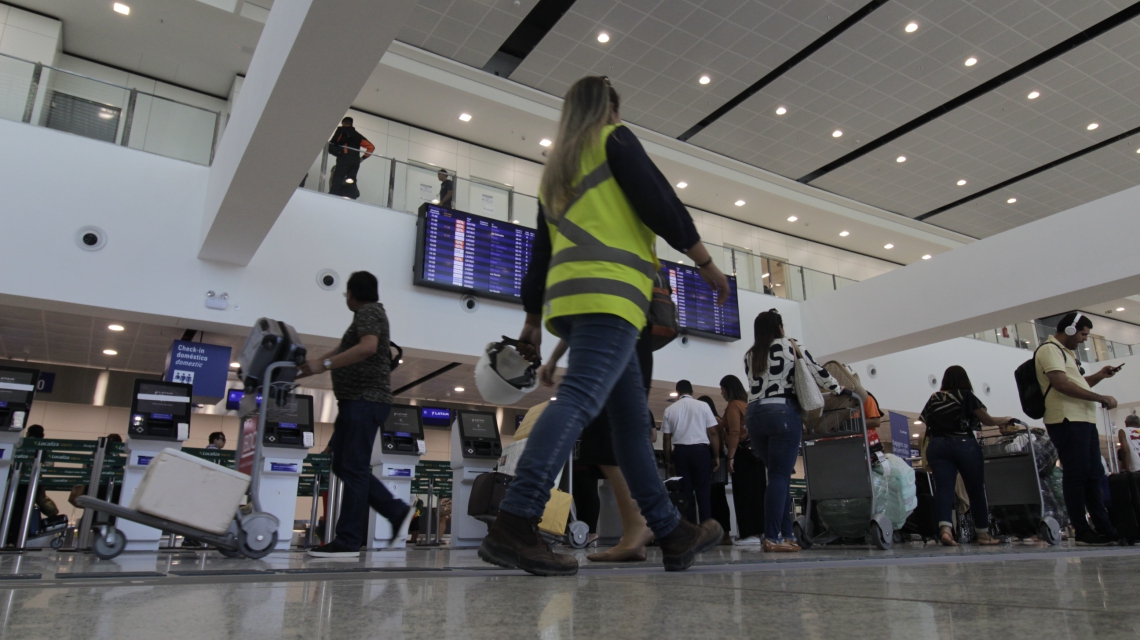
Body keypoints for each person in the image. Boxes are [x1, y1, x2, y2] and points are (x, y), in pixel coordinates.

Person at [478, 75, 730, 577]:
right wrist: (703, 260)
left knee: (632, 425)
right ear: (609, 107)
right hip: (613, 294)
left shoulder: (556, 171)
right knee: (577, 402)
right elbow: (658, 199)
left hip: (577, 301)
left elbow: (541, 254)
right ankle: (516, 519)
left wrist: (532, 321)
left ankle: (671, 531)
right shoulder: (614, 139)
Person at [299, 271, 414, 557]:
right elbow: (345, 348)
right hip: (356, 402)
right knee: (344, 465)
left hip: (365, 401)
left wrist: (324, 364)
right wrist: (317, 363)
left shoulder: (369, 313)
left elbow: (368, 347)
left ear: (351, 293)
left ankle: (348, 540)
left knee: (353, 467)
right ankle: (396, 511)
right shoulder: (367, 315)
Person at [539, 327, 659, 563]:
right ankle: (657, 528)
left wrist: (553, 354)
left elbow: (586, 312)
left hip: (615, 343)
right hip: (619, 343)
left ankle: (649, 526)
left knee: (606, 440)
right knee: (613, 442)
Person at [745, 309, 855, 553]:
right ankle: (772, 537)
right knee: (779, 476)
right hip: (782, 412)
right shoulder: (790, 346)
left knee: (776, 476)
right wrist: (839, 389)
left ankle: (785, 535)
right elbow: (816, 371)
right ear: (780, 327)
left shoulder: (750, 355)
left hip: (753, 415)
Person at [1035, 312, 1120, 546]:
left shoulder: (1068, 354)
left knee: (1094, 476)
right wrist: (1100, 397)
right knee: (1076, 475)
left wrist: (1100, 377)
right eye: (1083, 334)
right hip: (1066, 420)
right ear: (1070, 330)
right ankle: (1081, 530)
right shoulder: (1049, 350)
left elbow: (1078, 384)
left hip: (1083, 419)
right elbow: (1061, 385)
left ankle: (1104, 527)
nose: (1084, 339)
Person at [920, 366, 1014, 547]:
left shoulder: (934, 398)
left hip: (937, 445)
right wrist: (1005, 419)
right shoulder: (965, 395)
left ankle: (946, 531)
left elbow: (927, 421)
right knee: (975, 489)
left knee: (944, 489)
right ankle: (983, 534)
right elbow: (987, 420)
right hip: (963, 443)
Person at [662, 381, 717, 524]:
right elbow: (712, 432)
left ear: (678, 392)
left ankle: (690, 529)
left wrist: (669, 461)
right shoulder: (703, 406)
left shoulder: (670, 409)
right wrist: (716, 455)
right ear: (692, 392)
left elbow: (667, 438)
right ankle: (706, 529)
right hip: (700, 451)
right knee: (703, 492)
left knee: (685, 493)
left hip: (680, 452)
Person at [721, 374, 765, 546]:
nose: (721, 392)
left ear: (729, 389)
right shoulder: (750, 404)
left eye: (722, 389)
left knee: (743, 494)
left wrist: (730, 457)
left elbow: (734, 433)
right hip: (757, 454)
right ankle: (760, 531)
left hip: (742, 455)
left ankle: (748, 534)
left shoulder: (733, 406)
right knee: (758, 493)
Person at [698, 395, 731, 543]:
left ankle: (723, 534)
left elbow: (716, 441)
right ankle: (721, 534)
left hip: (714, 459)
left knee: (716, 498)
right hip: (716, 459)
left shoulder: (714, 421)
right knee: (716, 498)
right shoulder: (715, 419)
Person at [328, 117, 374, 199]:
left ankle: (333, 196)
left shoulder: (341, 131)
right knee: (351, 179)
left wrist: (340, 153)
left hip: (344, 159)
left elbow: (332, 144)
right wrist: (362, 158)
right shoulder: (357, 135)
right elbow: (371, 147)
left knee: (338, 178)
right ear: (351, 123)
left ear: (343, 123)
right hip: (355, 160)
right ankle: (351, 196)